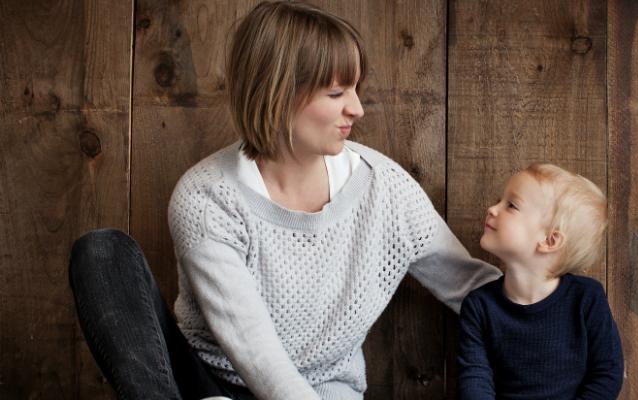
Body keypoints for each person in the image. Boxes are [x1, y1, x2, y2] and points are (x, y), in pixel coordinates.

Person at [68, 2, 501, 399]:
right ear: (278, 94)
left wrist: (565, 304)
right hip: (207, 383)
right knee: (101, 253)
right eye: (336, 94)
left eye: (354, 90)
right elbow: (253, 350)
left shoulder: (384, 187)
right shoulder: (206, 197)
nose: (357, 109)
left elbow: (471, 287)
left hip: (324, 389)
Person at [457, 164, 624, 399]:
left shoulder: (586, 298)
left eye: (511, 205)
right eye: (500, 201)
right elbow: (474, 379)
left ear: (550, 240)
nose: (492, 209)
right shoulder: (479, 306)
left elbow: (608, 373)